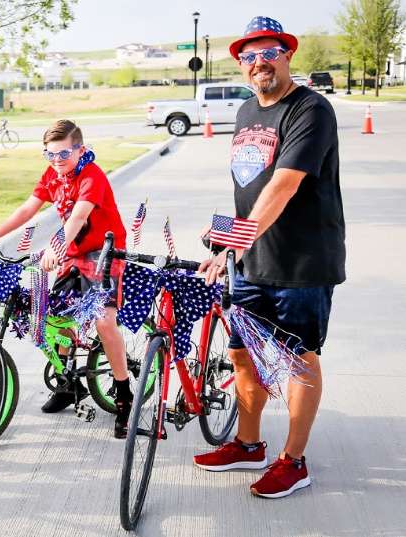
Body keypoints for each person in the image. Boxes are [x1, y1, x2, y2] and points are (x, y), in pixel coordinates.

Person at [194, 16, 345, 499]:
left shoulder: (310, 109)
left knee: (299, 359)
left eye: (269, 52)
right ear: (241, 64)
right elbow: (249, 186)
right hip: (251, 260)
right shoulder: (244, 113)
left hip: (302, 262)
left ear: (288, 55)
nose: (260, 62)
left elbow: (284, 183)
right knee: (242, 354)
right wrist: (223, 234)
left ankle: (293, 461)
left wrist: (235, 241)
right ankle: (248, 443)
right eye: (249, 55)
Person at [0, 119, 133, 438]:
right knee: (53, 319)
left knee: (103, 321)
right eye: (50, 155)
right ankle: (67, 383)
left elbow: (78, 217)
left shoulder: (92, 176)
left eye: (63, 154)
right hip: (73, 254)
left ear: (80, 150)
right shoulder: (52, 175)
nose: (57, 161)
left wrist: (55, 247)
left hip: (103, 253)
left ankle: (124, 392)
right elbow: (27, 210)